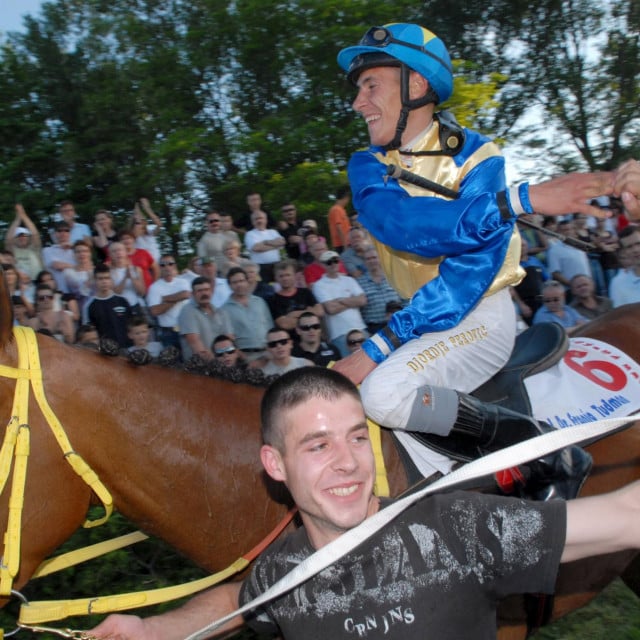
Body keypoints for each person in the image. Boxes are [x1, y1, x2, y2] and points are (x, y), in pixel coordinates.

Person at [90, 366, 640, 640]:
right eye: (318, 445)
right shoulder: (286, 570)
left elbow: (624, 517)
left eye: (357, 437)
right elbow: (242, 597)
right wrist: (158, 631)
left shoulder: (456, 528)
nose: (349, 462)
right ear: (275, 466)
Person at [332, 22, 613, 498]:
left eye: (370, 85)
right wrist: (520, 200)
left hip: (480, 311)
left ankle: (541, 453)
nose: (358, 102)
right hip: (420, 318)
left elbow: (470, 272)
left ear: (416, 84)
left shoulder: (480, 155)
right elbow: (404, 226)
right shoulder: (367, 164)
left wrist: (379, 347)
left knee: (381, 393)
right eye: (359, 89)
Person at [312, 250, 368, 357]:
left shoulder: (349, 280)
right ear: (322, 265)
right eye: (329, 262)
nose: (333, 264)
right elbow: (330, 309)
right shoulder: (319, 285)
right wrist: (352, 300)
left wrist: (340, 300)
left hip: (360, 328)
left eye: (335, 260)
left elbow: (363, 300)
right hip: (339, 333)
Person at [222, 267, 274, 362]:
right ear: (229, 285)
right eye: (235, 282)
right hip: (245, 356)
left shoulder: (260, 302)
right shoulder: (224, 310)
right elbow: (228, 338)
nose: (239, 285)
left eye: (241, 280)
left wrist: (272, 349)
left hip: (268, 353)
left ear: (247, 281)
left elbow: (270, 326)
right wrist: (242, 357)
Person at [178, 276, 233, 361]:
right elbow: (195, 344)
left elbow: (229, 340)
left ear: (211, 291)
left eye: (207, 290)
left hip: (222, 364)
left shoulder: (221, 312)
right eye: (199, 291)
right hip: (199, 367)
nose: (204, 293)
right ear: (193, 294)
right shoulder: (187, 311)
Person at [146, 255, 192, 349]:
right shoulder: (154, 287)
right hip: (168, 332)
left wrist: (165, 299)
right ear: (159, 268)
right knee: (171, 362)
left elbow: (186, 294)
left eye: (170, 264)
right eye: (163, 265)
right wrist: (176, 299)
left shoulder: (183, 282)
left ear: (174, 266)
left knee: (190, 360)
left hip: (186, 328)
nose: (167, 267)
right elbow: (155, 311)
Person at [357, 247, 405, 334]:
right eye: (368, 259)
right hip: (374, 328)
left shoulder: (393, 277)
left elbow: (405, 299)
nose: (371, 261)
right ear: (364, 262)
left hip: (397, 323)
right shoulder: (359, 282)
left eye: (374, 257)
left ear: (380, 259)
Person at [83, 264, 132, 348]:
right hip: (104, 354)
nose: (104, 281)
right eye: (100, 279)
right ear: (95, 280)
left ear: (111, 279)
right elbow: (88, 333)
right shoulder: (89, 306)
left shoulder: (122, 301)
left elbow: (132, 326)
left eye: (107, 278)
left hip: (127, 350)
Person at [268, 259, 324, 333]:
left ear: (294, 276)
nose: (285, 278)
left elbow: (320, 312)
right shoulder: (273, 300)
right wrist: (308, 313)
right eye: (281, 276)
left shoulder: (305, 292)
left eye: (288, 275)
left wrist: (293, 314)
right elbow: (284, 324)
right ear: (276, 278)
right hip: (290, 342)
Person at [243, 211, 286, 283]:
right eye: (256, 219)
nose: (259, 220)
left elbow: (282, 242)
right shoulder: (250, 234)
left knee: (278, 287)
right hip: (260, 268)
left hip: (276, 266)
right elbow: (256, 248)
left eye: (261, 218)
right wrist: (274, 245)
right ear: (252, 222)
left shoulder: (273, 232)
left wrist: (266, 242)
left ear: (266, 220)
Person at [5, 204, 43, 281]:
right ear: (14, 239)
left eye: (25, 236)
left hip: (38, 283)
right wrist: (17, 219)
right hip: (20, 283)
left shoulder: (34, 249)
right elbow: (8, 239)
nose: (22, 238)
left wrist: (23, 215)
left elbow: (35, 234)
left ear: (29, 238)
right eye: (19, 236)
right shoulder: (12, 252)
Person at [608, 226, 640, 307]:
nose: (636, 250)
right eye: (629, 247)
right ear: (624, 251)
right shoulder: (618, 284)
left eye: (638, 243)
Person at [42, 221, 76, 293]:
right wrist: (76, 266)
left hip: (76, 292)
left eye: (66, 230)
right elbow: (57, 266)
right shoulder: (47, 250)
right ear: (55, 233)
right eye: (59, 231)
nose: (63, 233)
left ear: (70, 233)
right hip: (58, 292)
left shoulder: (76, 250)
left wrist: (73, 248)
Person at [130, 198, 163, 263]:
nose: (141, 222)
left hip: (157, 264)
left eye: (143, 220)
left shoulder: (150, 233)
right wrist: (136, 212)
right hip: (145, 267)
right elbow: (135, 232)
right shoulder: (133, 236)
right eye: (138, 222)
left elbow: (159, 224)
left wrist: (147, 208)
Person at [328, 185, 352, 252]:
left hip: (345, 243)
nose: (348, 202)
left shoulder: (341, 210)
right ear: (345, 197)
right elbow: (339, 227)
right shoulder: (336, 210)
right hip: (341, 244)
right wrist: (345, 245)